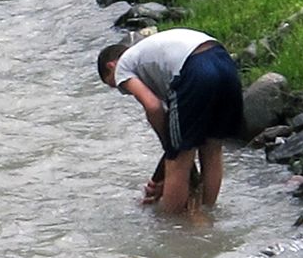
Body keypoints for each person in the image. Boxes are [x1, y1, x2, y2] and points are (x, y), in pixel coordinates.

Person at [97, 28, 243, 213]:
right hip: (224, 63)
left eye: (117, 85)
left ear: (111, 66)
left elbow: (153, 106)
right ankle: (206, 213)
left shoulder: (123, 67)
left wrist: (169, 148)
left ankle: (173, 228)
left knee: (178, 160)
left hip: (194, 70)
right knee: (212, 149)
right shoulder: (150, 55)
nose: (123, 89)